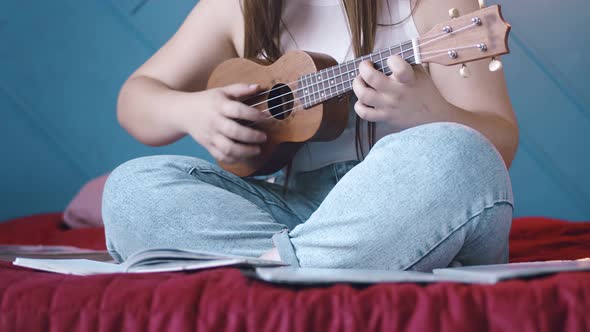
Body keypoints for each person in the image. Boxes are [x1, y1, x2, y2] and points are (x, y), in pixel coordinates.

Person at [102, 0, 518, 271]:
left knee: (456, 152)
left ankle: (268, 271)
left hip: (405, 209)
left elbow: (496, 145)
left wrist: (430, 114)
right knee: (130, 188)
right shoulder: (237, 9)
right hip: (293, 212)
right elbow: (134, 102)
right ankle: (307, 265)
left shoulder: (436, 6)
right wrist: (191, 110)